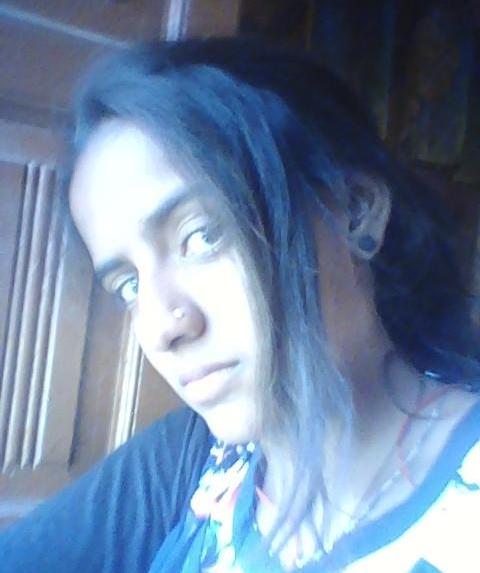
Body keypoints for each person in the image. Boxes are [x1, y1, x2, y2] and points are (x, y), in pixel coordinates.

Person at [1, 38, 480, 573]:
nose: (160, 328)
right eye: (128, 285)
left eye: (203, 235)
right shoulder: (192, 457)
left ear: (355, 212)